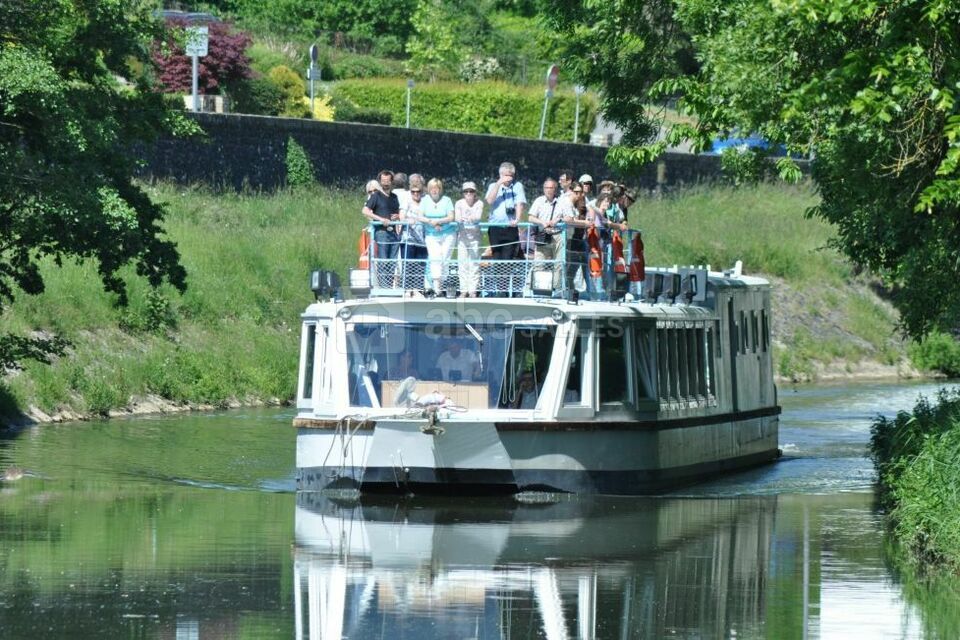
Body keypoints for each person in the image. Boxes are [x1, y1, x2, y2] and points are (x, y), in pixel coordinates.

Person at [527, 178, 571, 291]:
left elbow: (569, 217)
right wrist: (542, 222)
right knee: (539, 263)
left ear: (555, 189)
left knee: (558, 264)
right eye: (546, 187)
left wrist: (559, 219)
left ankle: (556, 290)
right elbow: (530, 217)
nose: (548, 190)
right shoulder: (539, 201)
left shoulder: (562, 201)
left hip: (557, 235)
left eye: (551, 188)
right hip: (542, 234)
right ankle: (538, 289)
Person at [362, 170, 401, 288]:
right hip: (381, 233)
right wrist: (380, 219)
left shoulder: (395, 197)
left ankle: (389, 287)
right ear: (380, 182)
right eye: (383, 181)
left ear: (391, 182)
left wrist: (398, 216)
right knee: (383, 261)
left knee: (392, 262)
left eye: (387, 181)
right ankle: (384, 288)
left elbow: (397, 213)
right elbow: (365, 210)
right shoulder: (375, 196)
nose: (385, 183)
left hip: (394, 233)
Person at [420, 177, 457, 295]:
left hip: (448, 233)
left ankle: (443, 283)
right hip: (431, 234)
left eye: (437, 188)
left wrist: (439, 221)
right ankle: (437, 289)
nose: (434, 190)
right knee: (435, 258)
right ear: (429, 189)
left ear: (440, 189)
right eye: (432, 188)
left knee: (445, 259)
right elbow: (420, 216)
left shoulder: (447, 200)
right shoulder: (424, 200)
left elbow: (451, 217)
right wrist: (431, 222)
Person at [455, 181, 484, 297]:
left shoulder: (479, 203)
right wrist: (462, 219)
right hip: (462, 237)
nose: (468, 193)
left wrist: (468, 218)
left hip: (475, 238)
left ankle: (473, 290)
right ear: (463, 193)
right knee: (462, 264)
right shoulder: (459, 203)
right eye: (466, 191)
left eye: (471, 191)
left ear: (475, 193)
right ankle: (463, 290)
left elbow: (478, 217)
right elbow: (457, 217)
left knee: (474, 264)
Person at [399, 174, 427, 291]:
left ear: (422, 191)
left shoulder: (426, 201)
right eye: (413, 191)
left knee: (420, 267)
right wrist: (406, 220)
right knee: (408, 266)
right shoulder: (407, 200)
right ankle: (407, 291)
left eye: (418, 191)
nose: (416, 194)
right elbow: (401, 215)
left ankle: (418, 291)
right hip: (408, 239)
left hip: (423, 240)